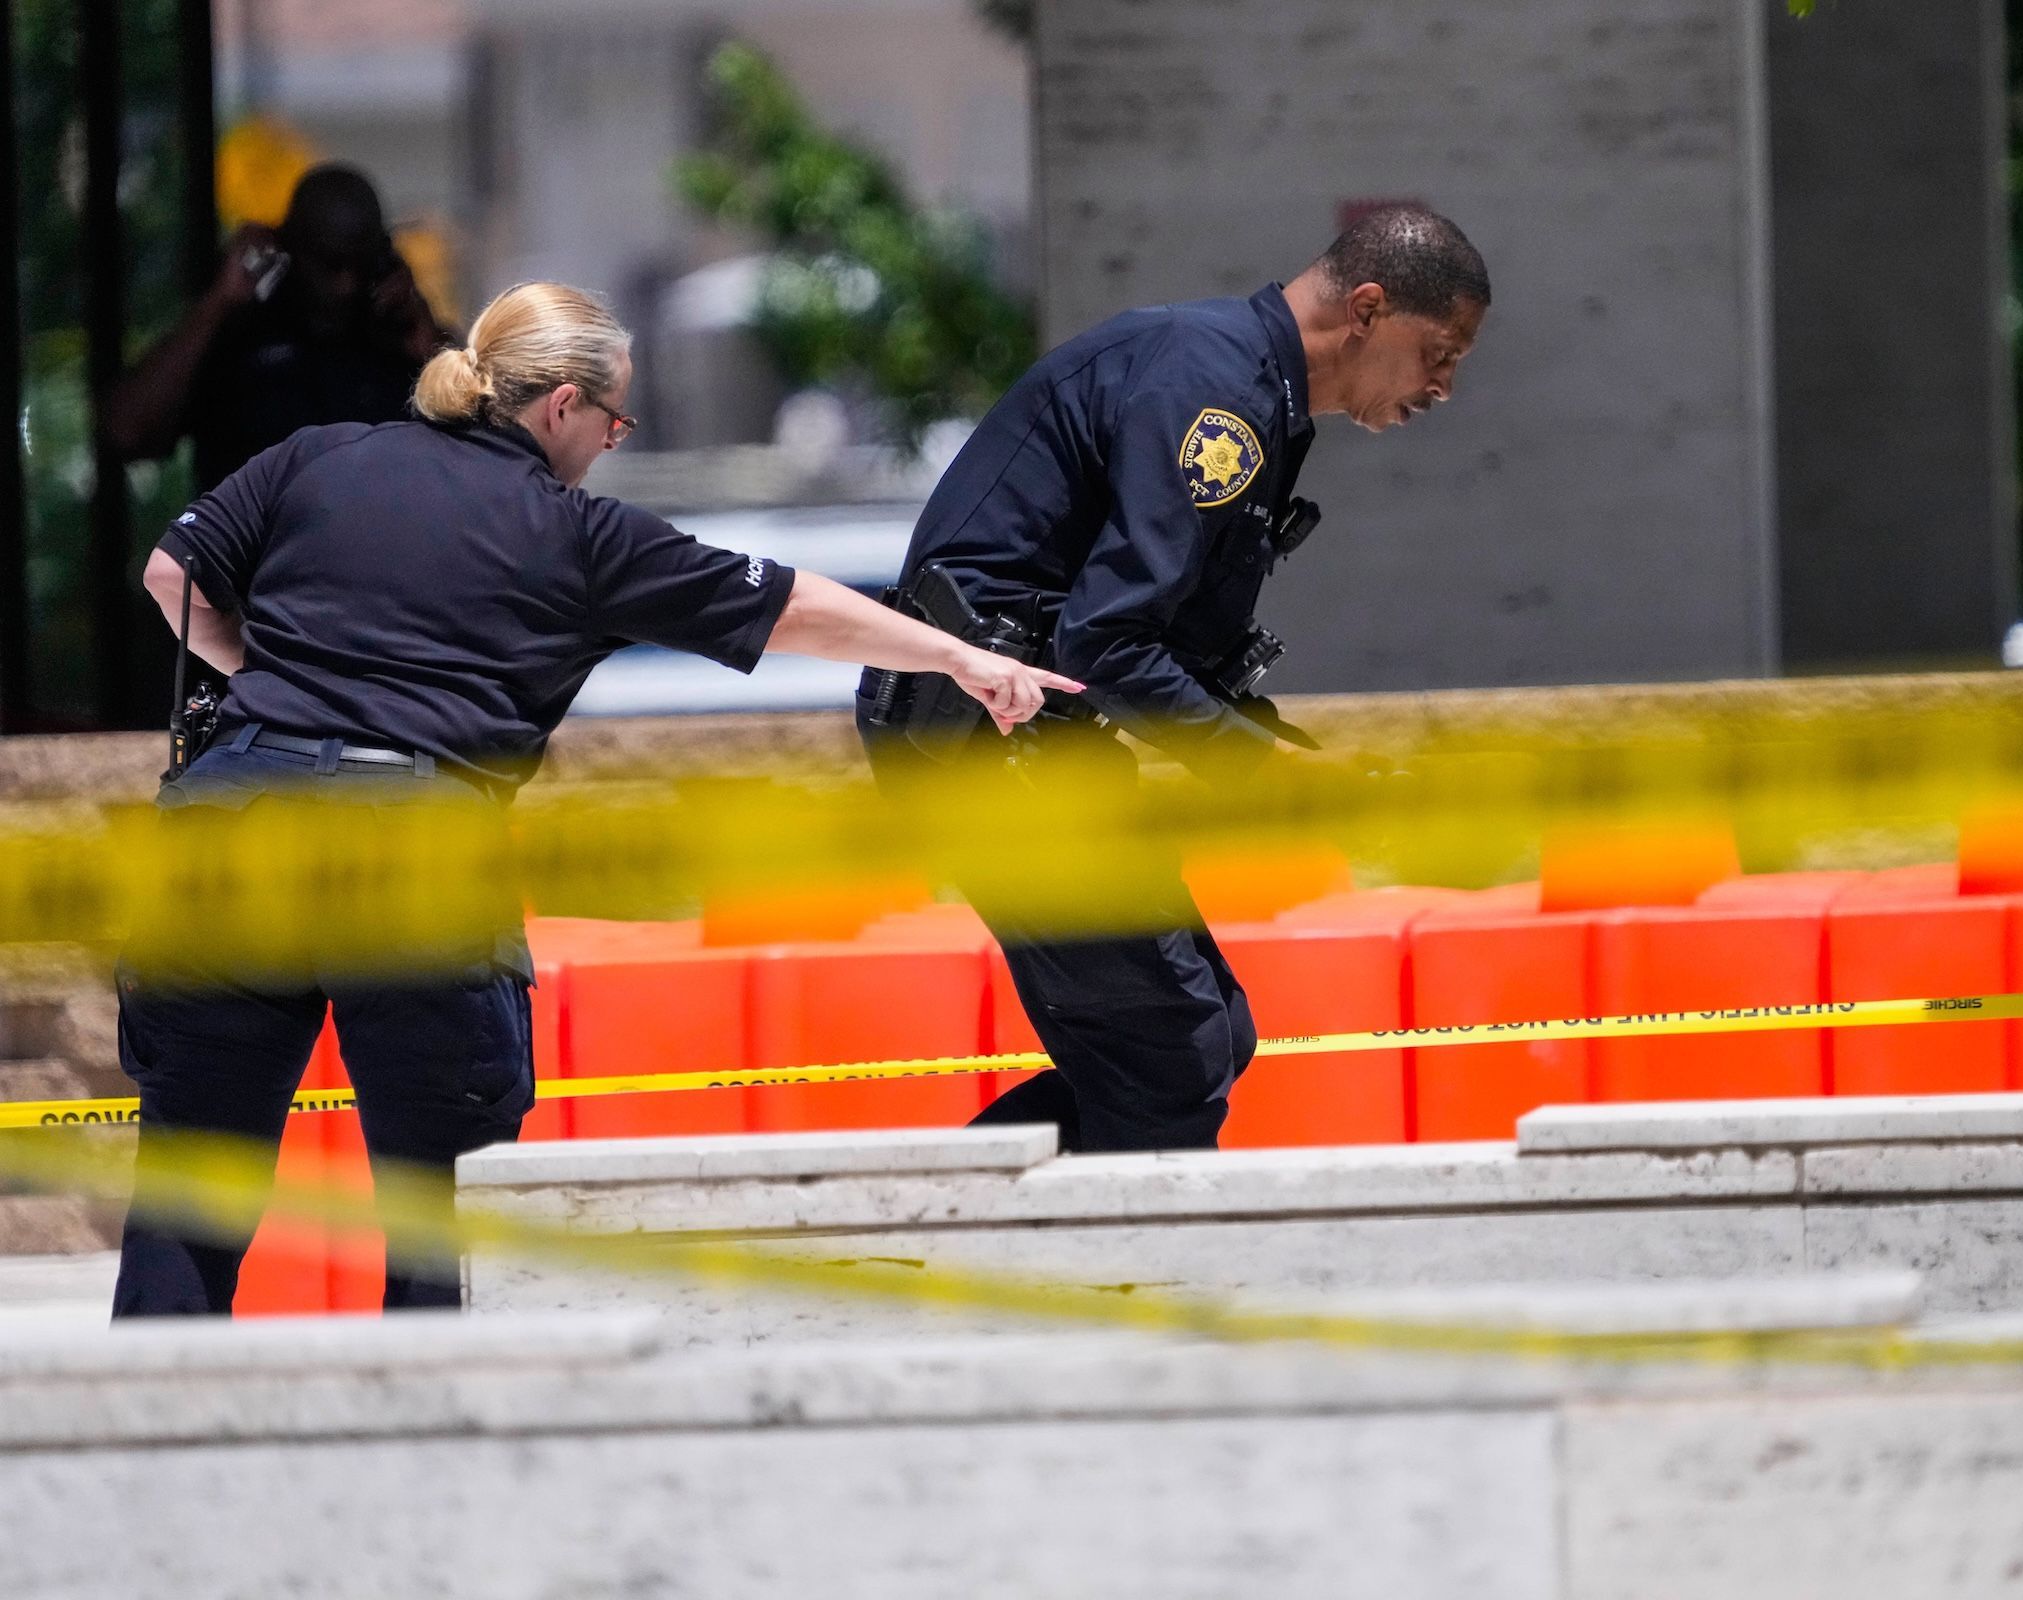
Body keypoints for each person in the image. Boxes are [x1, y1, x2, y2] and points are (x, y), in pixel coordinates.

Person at [113, 281, 1077, 1317]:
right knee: (443, 1205)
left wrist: (268, 686)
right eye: (615, 418)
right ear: (561, 405)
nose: (615, 441)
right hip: (413, 840)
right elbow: (797, 608)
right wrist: (958, 656)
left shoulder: (321, 455)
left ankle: (129, 1457)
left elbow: (173, 575)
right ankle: (430, 1453)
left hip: (229, 817)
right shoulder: (578, 535)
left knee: (190, 1192)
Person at [857, 204, 1489, 1153]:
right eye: (1440, 352)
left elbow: (1160, 647)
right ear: (1367, 308)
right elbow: (1106, 643)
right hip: (986, 744)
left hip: (1022, 742)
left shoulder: (1247, 388)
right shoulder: (1217, 393)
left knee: (1208, 1037)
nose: (1445, 385)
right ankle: (962, 1257)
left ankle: (930, 1237)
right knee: (1169, 1052)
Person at [104, 163, 450, 494]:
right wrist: (216, 305)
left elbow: (484, 460)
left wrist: (428, 346)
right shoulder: (238, 337)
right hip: (259, 548)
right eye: (330, 264)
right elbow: (128, 432)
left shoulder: (403, 338)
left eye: (360, 264)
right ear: (291, 246)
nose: (346, 284)